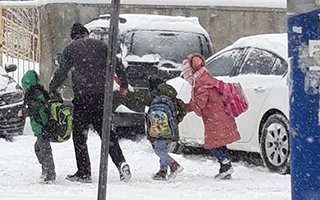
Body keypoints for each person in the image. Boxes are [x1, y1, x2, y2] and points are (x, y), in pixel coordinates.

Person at [49, 22, 131, 183]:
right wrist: (124, 84)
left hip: (82, 98)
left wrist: (52, 88)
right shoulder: (101, 45)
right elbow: (118, 65)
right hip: (102, 97)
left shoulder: (71, 48)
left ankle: (84, 172)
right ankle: (121, 163)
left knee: (79, 136)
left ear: (73, 36)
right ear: (86, 33)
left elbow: (62, 71)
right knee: (107, 134)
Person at [181, 53, 241, 180]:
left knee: (212, 144)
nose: (187, 79)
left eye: (187, 76)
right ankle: (225, 166)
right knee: (219, 142)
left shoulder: (201, 84)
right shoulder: (206, 78)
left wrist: (186, 107)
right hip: (219, 115)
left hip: (215, 117)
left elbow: (200, 103)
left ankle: (225, 164)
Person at [143, 77, 186, 180]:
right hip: (169, 129)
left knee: (159, 150)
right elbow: (183, 110)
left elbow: (143, 100)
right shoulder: (172, 96)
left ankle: (174, 165)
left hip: (157, 128)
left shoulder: (154, 95)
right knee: (163, 149)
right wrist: (175, 121)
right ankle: (162, 171)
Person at [21, 70, 56, 182]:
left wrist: (24, 112)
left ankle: (50, 173)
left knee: (44, 150)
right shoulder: (38, 92)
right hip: (41, 127)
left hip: (42, 127)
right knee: (39, 148)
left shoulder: (34, 94)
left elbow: (34, 108)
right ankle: (46, 169)